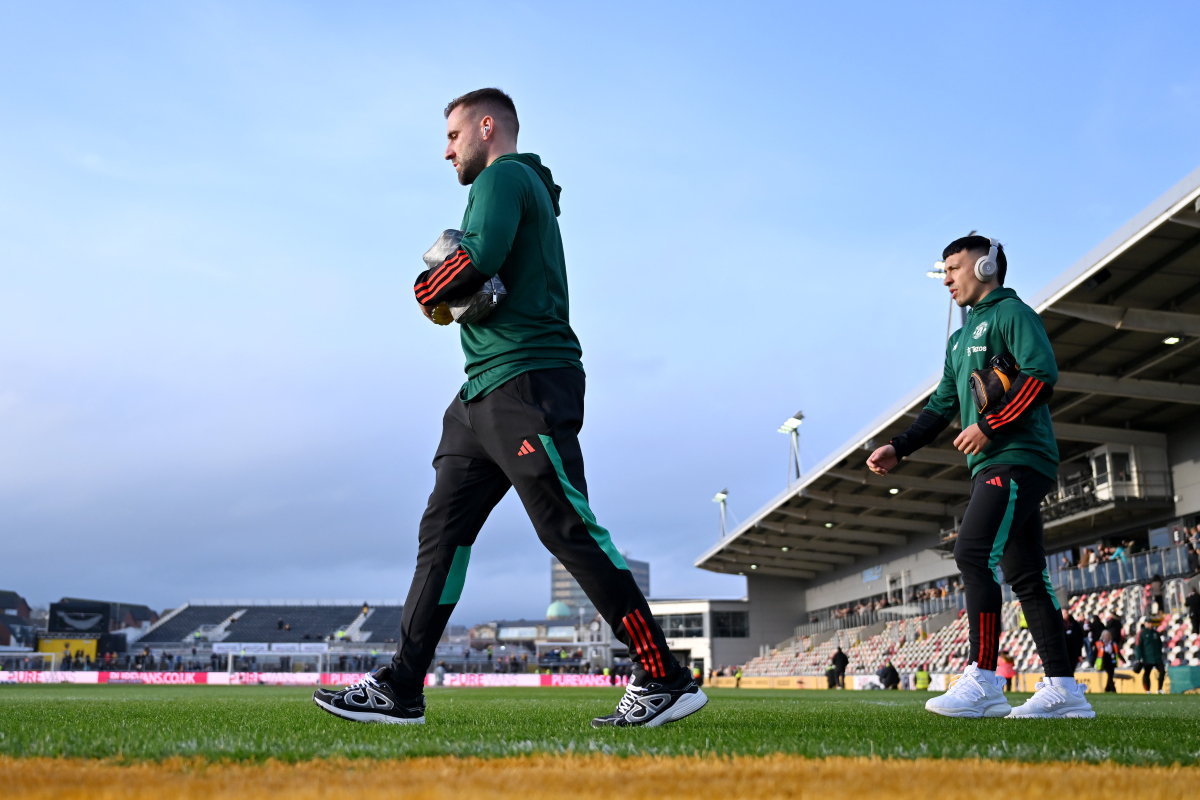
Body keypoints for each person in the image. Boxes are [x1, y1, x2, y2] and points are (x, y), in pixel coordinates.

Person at [313, 88, 704, 729]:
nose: (446, 152)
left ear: (486, 127)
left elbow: (478, 259)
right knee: (442, 536)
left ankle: (662, 676)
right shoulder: (516, 187)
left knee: (566, 528)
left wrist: (426, 287)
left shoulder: (504, 176)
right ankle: (402, 685)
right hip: (479, 393)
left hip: (525, 382)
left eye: (452, 137)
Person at [867, 235, 1092, 720]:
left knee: (971, 551)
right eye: (943, 270)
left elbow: (1040, 374)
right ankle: (1064, 689)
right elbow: (941, 405)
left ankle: (985, 678)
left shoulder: (1013, 314)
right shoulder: (958, 340)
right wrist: (899, 446)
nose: (946, 278)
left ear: (986, 266)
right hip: (995, 463)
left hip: (1019, 456)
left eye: (953, 267)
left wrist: (989, 425)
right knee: (1027, 575)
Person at [1134, 617, 1166, 694]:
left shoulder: (1155, 633)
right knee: (1147, 673)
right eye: (1148, 623)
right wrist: (1138, 658)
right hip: (1147, 657)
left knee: (1162, 671)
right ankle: (1147, 690)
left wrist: (1160, 653)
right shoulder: (1141, 633)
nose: (1150, 624)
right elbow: (1138, 646)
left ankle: (1159, 689)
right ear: (1145, 624)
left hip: (1157, 657)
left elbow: (1160, 644)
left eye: (1151, 623)